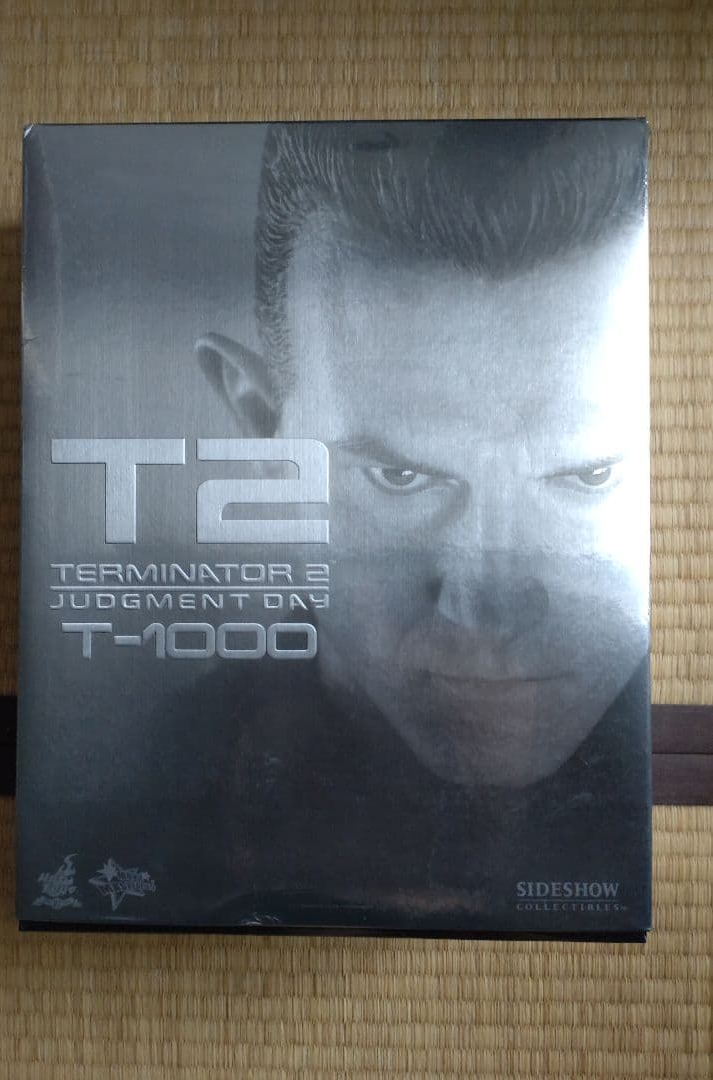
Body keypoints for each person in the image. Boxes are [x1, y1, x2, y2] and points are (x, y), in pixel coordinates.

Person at [164, 120, 651, 930]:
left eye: (589, 475)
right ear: (260, 427)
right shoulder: (133, 799)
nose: (486, 606)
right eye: (401, 475)